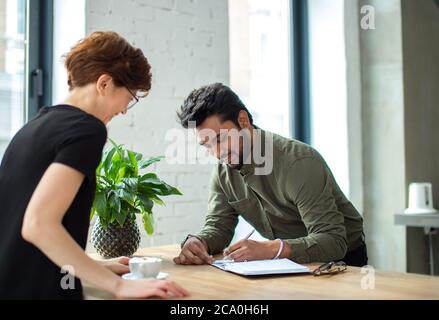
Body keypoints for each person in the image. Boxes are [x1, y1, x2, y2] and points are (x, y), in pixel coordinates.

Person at [0, 31, 188, 300]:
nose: (124, 110)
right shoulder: (87, 129)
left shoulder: (33, 127)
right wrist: (121, 286)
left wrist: (94, 268)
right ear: (104, 83)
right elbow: (37, 224)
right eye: (130, 97)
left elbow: (21, 228)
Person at [174, 83, 367, 267]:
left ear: (243, 121)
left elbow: (332, 240)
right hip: (286, 263)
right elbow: (218, 226)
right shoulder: (223, 171)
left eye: (221, 139)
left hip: (343, 261)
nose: (217, 153)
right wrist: (199, 242)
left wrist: (271, 248)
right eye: (207, 145)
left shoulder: (299, 163)